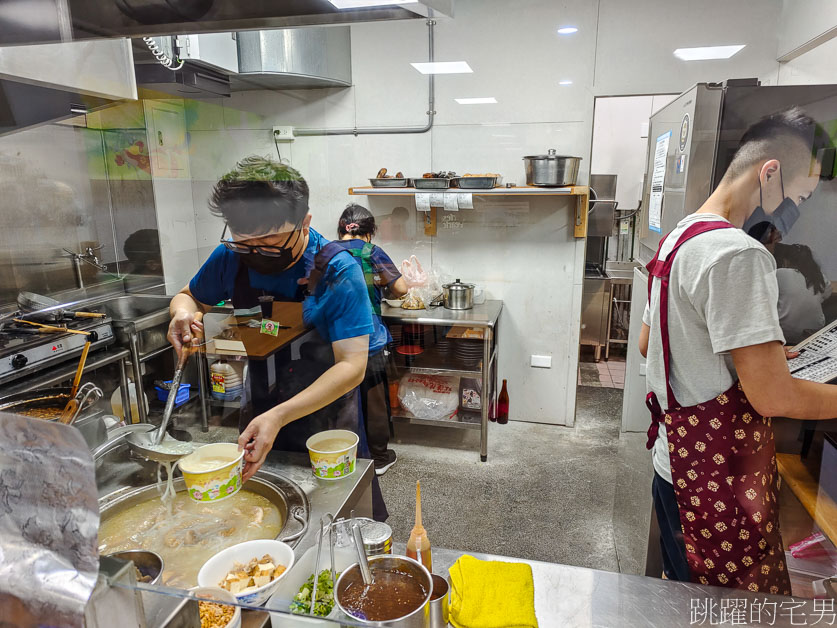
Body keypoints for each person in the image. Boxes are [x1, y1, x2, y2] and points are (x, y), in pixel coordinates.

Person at [638, 107, 837, 594]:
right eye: (800, 195)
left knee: (683, 594)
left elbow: (651, 342)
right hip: (717, 481)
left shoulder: (680, 235)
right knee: (725, 609)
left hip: (673, 464)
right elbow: (772, 399)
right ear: (769, 172)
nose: (796, 209)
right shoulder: (738, 253)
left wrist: (754, 355)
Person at [167, 156, 388, 519]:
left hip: (326, 418)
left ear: (305, 224)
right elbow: (189, 295)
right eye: (244, 243)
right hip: (260, 406)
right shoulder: (229, 257)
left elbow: (352, 366)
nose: (255, 254)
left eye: (270, 243)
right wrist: (183, 313)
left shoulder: (338, 269)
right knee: (263, 515)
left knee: (337, 518)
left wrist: (279, 416)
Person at [330, 203, 408, 475]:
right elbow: (399, 288)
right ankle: (378, 457)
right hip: (368, 338)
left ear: (341, 229)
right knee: (374, 398)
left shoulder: (323, 251)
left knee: (338, 397)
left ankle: (341, 455)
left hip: (332, 340)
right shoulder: (371, 252)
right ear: (370, 232)